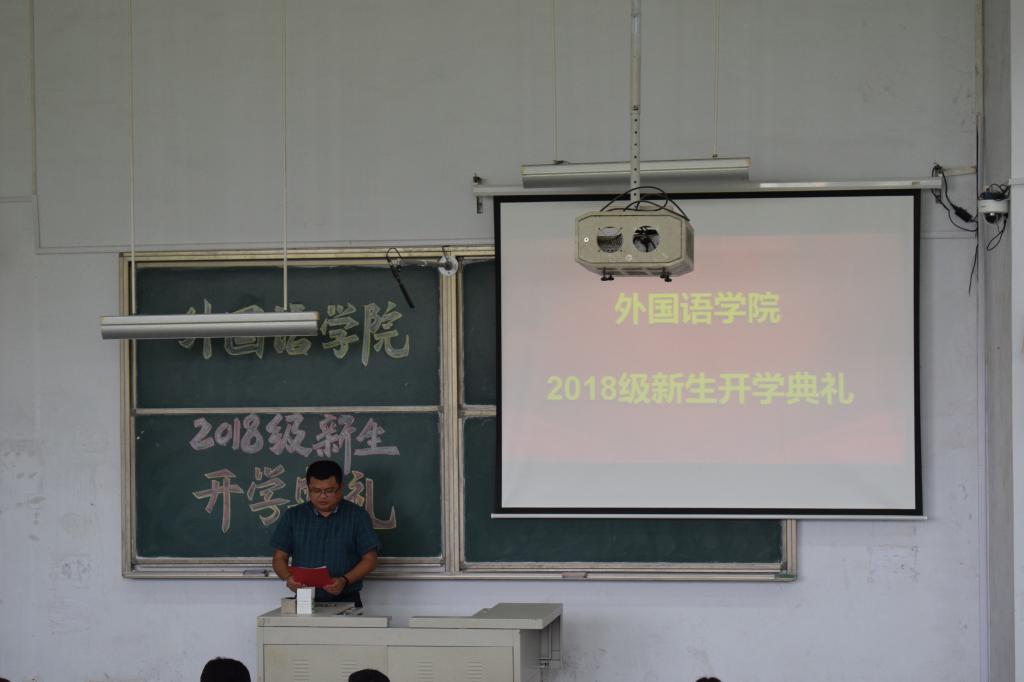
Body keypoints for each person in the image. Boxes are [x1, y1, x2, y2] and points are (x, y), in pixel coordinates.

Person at [271, 459, 380, 607]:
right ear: (308, 488)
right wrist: (288, 578)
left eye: (329, 491)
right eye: (316, 491)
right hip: (304, 600)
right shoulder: (294, 516)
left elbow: (370, 559)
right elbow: (279, 558)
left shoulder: (357, 516)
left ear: (340, 488)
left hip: (346, 599)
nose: (322, 496)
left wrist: (344, 580)